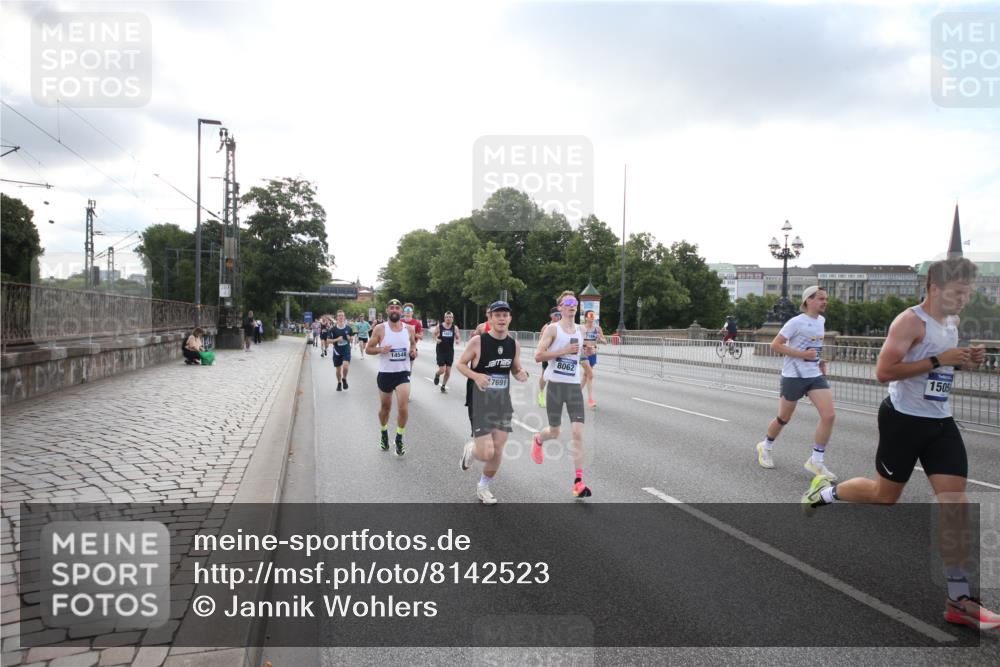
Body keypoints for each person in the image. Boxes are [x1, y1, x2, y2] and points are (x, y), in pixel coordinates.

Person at [801, 258, 999, 630]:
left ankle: (959, 600)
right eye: (959, 292)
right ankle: (825, 492)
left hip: (940, 423)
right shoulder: (909, 322)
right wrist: (940, 358)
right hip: (903, 421)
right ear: (935, 289)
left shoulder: (951, 322)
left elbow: (939, 368)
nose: (965, 299)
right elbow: (883, 372)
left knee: (954, 504)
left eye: (968, 292)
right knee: (884, 494)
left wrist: (965, 361)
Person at [754, 286, 837, 480]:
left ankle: (816, 461)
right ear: (809, 300)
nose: (825, 302)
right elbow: (775, 345)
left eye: (826, 299)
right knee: (784, 417)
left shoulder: (821, 321)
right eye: (821, 299)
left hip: (814, 374)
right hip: (793, 375)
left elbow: (815, 345)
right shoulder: (796, 322)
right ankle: (765, 446)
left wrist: (820, 359)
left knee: (829, 415)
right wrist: (802, 355)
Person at [457, 301, 529, 504]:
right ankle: (471, 449)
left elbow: (515, 368)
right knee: (485, 452)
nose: (501, 318)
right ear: (489, 318)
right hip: (480, 401)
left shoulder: (513, 344)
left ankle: (483, 487)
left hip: (502, 402)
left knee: (497, 449)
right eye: (497, 315)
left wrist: (521, 373)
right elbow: (460, 364)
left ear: (510, 319)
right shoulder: (478, 342)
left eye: (505, 315)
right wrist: (476, 376)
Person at [533, 291, 592, 498]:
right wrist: (563, 350)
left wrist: (587, 353)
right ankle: (539, 439)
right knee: (555, 432)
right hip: (556, 386)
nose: (572, 305)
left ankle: (578, 481)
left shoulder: (581, 330)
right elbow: (538, 356)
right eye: (567, 302)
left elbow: (578, 354)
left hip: (573, 387)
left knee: (577, 433)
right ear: (559, 307)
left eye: (574, 302)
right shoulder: (552, 329)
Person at [366, 299, 418, 456]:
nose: (394, 310)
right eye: (392, 307)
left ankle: (399, 438)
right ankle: (384, 434)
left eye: (397, 307)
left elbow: (413, 345)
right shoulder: (380, 329)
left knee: (403, 407)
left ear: (401, 311)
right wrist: (381, 349)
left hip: (403, 373)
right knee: (385, 409)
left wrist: (413, 352)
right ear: (387, 310)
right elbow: (368, 349)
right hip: (386, 374)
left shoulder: (409, 329)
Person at [580, 310, 607, 409]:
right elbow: (578, 342)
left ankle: (575, 395)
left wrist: (601, 339)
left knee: (586, 375)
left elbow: (605, 342)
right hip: (583, 354)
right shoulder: (582, 328)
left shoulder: (597, 328)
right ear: (586, 318)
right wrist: (586, 345)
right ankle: (590, 399)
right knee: (590, 375)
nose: (592, 317)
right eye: (590, 315)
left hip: (593, 354)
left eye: (593, 315)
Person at [433, 311, 461, 393]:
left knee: (448, 371)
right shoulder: (440, 326)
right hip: (440, 350)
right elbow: (434, 334)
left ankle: (443, 386)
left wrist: (458, 340)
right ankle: (437, 374)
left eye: (450, 317)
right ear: (444, 318)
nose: (448, 318)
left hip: (449, 351)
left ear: (452, 319)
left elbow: (458, 337)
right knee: (442, 369)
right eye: (447, 317)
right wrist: (436, 339)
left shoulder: (454, 328)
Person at [537, 307, 560, 407]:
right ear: (551, 316)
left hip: (559, 355)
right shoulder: (546, 326)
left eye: (559, 314)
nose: (558, 317)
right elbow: (541, 342)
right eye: (556, 315)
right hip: (548, 355)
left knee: (558, 376)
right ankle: (541, 394)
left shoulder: (563, 325)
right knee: (545, 375)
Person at [330, 310, 354, 391]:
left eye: (342, 315)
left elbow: (351, 339)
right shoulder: (333, 329)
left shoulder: (348, 328)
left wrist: (349, 338)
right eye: (339, 315)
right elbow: (328, 340)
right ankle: (339, 382)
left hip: (346, 349)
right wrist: (337, 339)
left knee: (346, 366)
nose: (341, 317)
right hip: (337, 351)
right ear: (337, 317)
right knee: (338, 369)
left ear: (344, 317)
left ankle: (344, 378)